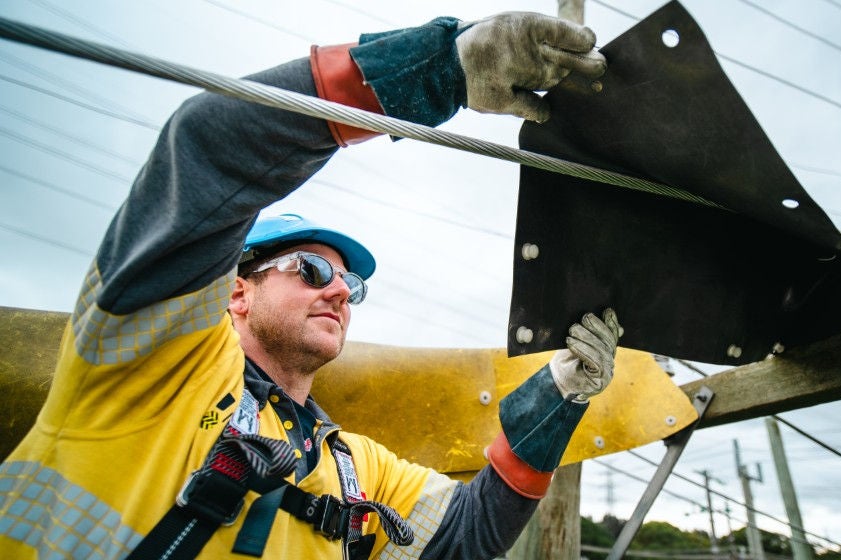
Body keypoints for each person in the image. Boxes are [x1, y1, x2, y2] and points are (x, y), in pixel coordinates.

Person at [0, 11, 621, 560]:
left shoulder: (354, 468)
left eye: (350, 282)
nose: (341, 292)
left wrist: (559, 395)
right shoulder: (154, 362)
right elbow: (210, 151)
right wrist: (439, 68)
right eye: (314, 270)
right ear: (235, 292)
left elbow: (466, 533)